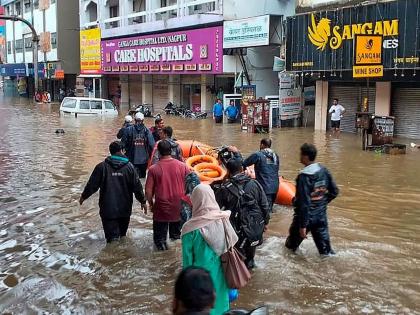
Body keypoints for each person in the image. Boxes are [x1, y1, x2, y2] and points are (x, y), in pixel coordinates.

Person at [182, 184, 238, 315]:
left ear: (195, 200)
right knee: (222, 309)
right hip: (222, 277)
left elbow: (187, 264)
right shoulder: (223, 220)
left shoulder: (189, 229)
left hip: (199, 283)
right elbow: (231, 247)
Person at [79, 141, 147, 243]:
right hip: (125, 210)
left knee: (112, 240)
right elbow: (137, 187)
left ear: (110, 152)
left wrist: (83, 196)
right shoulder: (130, 168)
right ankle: (124, 257)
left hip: (108, 210)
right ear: (122, 151)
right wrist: (143, 201)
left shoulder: (101, 167)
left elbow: (92, 185)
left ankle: (114, 257)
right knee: (123, 236)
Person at [215, 159, 270, 270]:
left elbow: (215, 210)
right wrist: (265, 223)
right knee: (250, 258)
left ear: (228, 171)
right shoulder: (255, 184)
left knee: (237, 259)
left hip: (236, 229)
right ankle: (251, 273)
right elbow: (265, 206)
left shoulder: (224, 188)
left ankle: (241, 280)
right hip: (254, 225)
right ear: (242, 169)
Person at [285, 143, 339, 256]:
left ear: (305, 156)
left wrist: (303, 226)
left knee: (290, 248)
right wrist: (321, 203)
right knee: (326, 252)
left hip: (305, 218)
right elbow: (334, 191)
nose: (299, 157)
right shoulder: (324, 170)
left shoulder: (304, 177)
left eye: (301, 154)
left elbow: (304, 203)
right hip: (320, 217)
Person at [146, 140, 190, 250]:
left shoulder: (153, 169)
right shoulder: (183, 166)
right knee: (176, 238)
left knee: (160, 241)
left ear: (158, 153)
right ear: (171, 151)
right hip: (179, 206)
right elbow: (190, 186)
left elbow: (148, 191)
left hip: (161, 207)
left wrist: (151, 204)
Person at [242, 139, 280, 213]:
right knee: (269, 208)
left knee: (264, 211)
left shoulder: (258, 154)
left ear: (262, 145)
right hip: (275, 186)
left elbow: (245, 163)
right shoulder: (276, 155)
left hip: (264, 186)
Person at [122, 112, 155, 178]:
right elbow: (152, 145)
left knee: (131, 178)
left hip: (131, 159)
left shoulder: (128, 130)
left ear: (134, 120)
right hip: (144, 160)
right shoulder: (147, 131)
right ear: (143, 120)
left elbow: (123, 144)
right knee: (142, 178)